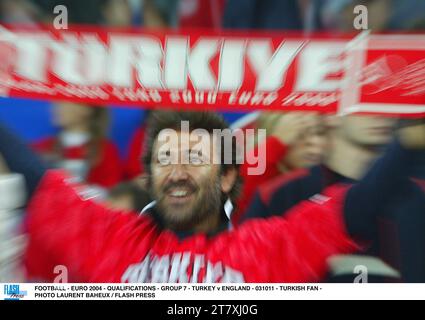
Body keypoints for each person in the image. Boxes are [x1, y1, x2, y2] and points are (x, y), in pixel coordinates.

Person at [0, 111, 423, 282]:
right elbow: (36, 177)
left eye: (195, 157)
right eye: (165, 158)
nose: (178, 170)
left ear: (225, 179)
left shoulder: (268, 249)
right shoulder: (106, 235)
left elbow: (358, 207)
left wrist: (405, 147)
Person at [241, 115, 425, 282]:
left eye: (387, 105)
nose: (380, 115)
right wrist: (275, 144)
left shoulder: (418, 193)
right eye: (365, 103)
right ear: (332, 117)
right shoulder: (278, 193)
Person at [233, 112, 326, 224]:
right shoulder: (260, 182)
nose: (313, 142)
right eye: (300, 133)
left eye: (320, 132)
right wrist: (276, 144)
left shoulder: (331, 178)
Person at [32, 102, 122, 188]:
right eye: (55, 102)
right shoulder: (44, 146)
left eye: (63, 103)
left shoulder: (104, 150)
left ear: (87, 109)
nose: (55, 108)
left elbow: (111, 190)